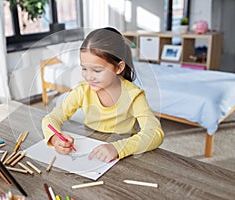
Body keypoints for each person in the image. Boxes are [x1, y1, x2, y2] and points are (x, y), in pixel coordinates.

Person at [42, 27, 164, 162]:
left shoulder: (133, 95)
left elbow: (155, 133)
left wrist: (117, 148)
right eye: (84, 68)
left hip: (124, 154)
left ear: (119, 68)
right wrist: (55, 138)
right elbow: (51, 118)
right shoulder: (82, 90)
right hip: (90, 148)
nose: (89, 77)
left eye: (97, 70)